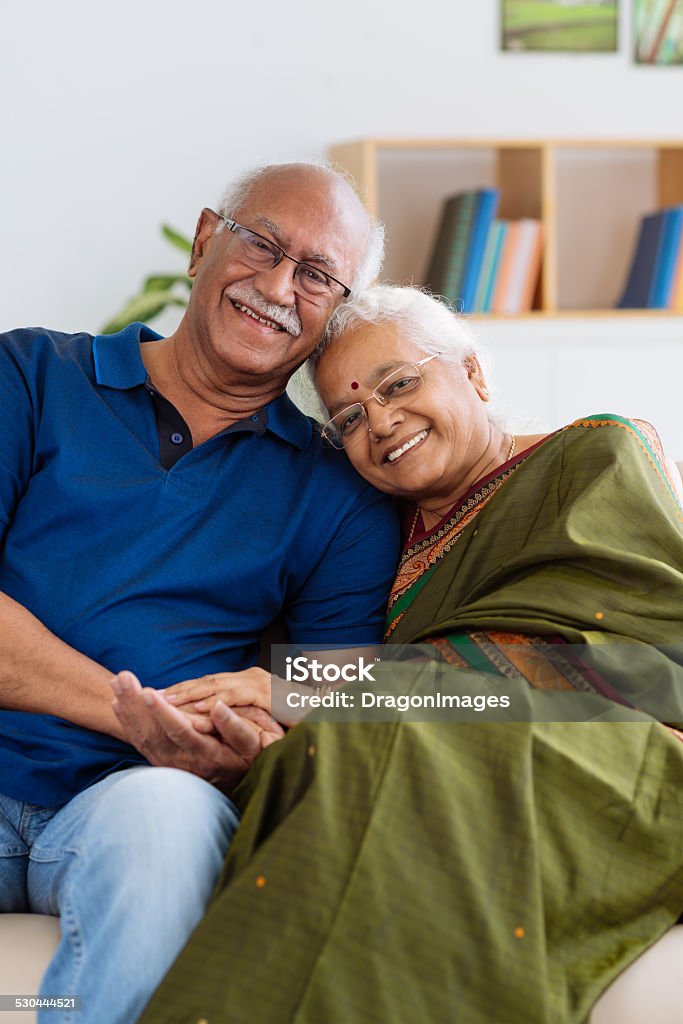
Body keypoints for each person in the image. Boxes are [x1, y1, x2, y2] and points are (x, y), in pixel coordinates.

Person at [138, 285, 683, 1024]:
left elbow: (628, 668)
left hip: (611, 753)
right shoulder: (360, 537)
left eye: (399, 384)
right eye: (349, 418)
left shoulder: (591, 457)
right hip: (406, 745)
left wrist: (300, 692)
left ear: (474, 375)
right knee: (334, 754)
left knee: (380, 736)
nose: (382, 422)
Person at [0, 167, 401, 1024]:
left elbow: (321, 699)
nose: (277, 287)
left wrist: (241, 748)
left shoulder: (342, 498)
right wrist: (136, 712)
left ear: (334, 314)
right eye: (260, 243)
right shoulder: (31, 375)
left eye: (317, 275)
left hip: (136, 797)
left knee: (167, 820)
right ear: (202, 240)